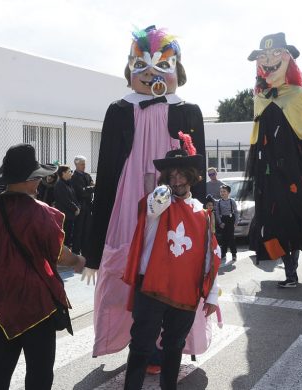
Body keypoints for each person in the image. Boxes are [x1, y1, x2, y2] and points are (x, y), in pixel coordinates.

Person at [84, 25, 207, 358]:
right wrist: (93, 252)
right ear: (129, 69)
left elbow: (200, 174)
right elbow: (107, 175)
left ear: (176, 70)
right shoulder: (119, 110)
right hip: (129, 201)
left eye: (162, 66)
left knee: (172, 269)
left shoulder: (189, 110)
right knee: (131, 273)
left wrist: (207, 229)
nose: (152, 74)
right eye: (142, 66)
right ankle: (137, 345)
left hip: (176, 205)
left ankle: (166, 346)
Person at [0, 144, 86, 390]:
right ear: (30, 179)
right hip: (37, 304)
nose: (39, 183)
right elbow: (59, 256)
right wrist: (79, 261)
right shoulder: (42, 213)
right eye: (37, 178)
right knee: (39, 372)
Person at [122, 148, 220, 390]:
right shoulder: (158, 202)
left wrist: (212, 294)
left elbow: (210, 256)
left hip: (185, 293)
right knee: (141, 346)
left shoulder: (202, 212)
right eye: (171, 176)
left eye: (181, 175)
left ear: (191, 176)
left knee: (174, 347)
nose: (177, 181)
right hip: (152, 288)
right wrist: (161, 190)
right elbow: (154, 206)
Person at [244, 32, 302, 288]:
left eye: (275, 53)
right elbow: (256, 137)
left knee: (294, 217)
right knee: (272, 220)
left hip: (293, 171)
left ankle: (291, 269)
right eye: (262, 56)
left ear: (288, 59)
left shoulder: (297, 95)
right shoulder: (259, 97)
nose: (268, 60)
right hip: (267, 173)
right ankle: (287, 268)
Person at [70, 155, 94, 255]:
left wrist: (89, 188)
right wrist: (91, 188)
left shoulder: (87, 175)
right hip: (80, 206)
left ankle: (86, 250)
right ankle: (76, 251)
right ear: (76, 165)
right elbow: (81, 192)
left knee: (87, 229)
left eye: (84, 164)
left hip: (88, 206)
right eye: (82, 164)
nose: (84, 166)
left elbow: (90, 188)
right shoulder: (74, 177)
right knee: (79, 229)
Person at [53, 165, 80, 248]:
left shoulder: (68, 184)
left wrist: (78, 207)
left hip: (70, 215)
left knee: (69, 236)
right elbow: (66, 200)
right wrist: (75, 208)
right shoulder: (60, 185)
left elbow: (74, 197)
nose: (71, 173)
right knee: (65, 236)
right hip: (65, 216)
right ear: (63, 173)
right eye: (69, 171)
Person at [215, 184, 238, 262]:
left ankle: (234, 254)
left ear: (228, 192)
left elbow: (236, 212)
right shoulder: (218, 202)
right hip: (223, 220)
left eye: (224, 191)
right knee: (223, 238)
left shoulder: (232, 201)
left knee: (231, 237)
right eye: (221, 191)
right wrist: (220, 222)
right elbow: (217, 213)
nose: (222, 193)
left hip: (230, 219)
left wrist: (236, 222)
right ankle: (223, 253)